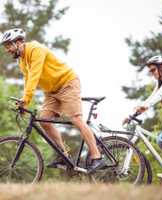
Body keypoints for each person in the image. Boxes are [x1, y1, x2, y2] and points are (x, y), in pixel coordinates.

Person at [1, 28, 105, 172]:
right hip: (51, 91)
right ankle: (64, 154)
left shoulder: (36, 49)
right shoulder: (22, 61)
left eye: (8, 45)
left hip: (67, 83)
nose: (7, 50)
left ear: (19, 42)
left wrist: (26, 98)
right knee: (44, 120)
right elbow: (28, 80)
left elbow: (35, 76)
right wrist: (24, 102)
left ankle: (97, 156)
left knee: (76, 119)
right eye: (5, 46)